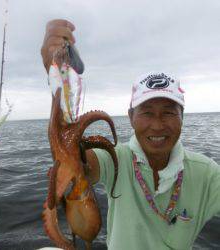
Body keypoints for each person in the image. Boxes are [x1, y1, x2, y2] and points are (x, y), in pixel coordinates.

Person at [41, 19, 220, 250]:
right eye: (146, 112)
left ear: (182, 117)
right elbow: (81, 163)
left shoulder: (207, 174)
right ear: (130, 117)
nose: (157, 125)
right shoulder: (118, 159)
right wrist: (57, 76)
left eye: (168, 112)